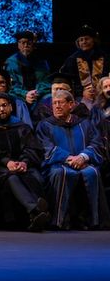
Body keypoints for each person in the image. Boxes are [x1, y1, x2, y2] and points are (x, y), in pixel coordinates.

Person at [35, 89, 107, 230]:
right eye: (54, 103)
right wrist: (68, 158)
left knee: (92, 172)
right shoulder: (45, 125)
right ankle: (58, 220)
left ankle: (91, 220)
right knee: (63, 173)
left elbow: (96, 143)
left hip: (83, 162)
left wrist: (82, 157)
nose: (57, 106)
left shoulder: (84, 124)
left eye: (61, 103)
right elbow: (45, 147)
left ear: (71, 105)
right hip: (57, 165)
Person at [0, 92, 50, 231]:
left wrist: (24, 162)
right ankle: (35, 210)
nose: (1, 109)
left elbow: (33, 148)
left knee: (33, 176)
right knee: (11, 177)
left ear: (11, 107)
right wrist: (7, 162)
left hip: (24, 166)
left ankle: (34, 216)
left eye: (4, 105)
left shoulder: (22, 127)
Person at [4, 30, 50, 108]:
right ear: (18, 45)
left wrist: (36, 93)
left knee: (49, 99)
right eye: (22, 42)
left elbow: (46, 81)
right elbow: (11, 85)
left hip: (38, 94)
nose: (26, 45)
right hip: (19, 95)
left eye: (29, 43)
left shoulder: (41, 62)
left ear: (33, 44)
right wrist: (25, 94)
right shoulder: (11, 62)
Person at [61, 25, 107, 103]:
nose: (84, 42)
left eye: (87, 39)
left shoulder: (104, 57)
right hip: (80, 96)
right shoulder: (72, 59)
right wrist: (82, 92)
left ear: (93, 40)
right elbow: (68, 80)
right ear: (78, 43)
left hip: (103, 93)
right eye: (81, 40)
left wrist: (101, 90)